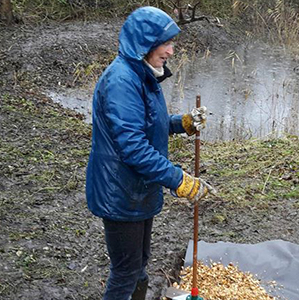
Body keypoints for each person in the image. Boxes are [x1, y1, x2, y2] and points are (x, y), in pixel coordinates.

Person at [85, 6, 214, 300]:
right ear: (143, 43)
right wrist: (178, 179)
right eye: (165, 44)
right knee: (126, 270)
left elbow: (148, 126)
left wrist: (181, 124)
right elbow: (133, 147)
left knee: (138, 263)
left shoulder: (142, 74)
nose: (170, 51)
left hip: (138, 189)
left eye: (172, 44)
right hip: (120, 191)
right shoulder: (121, 81)